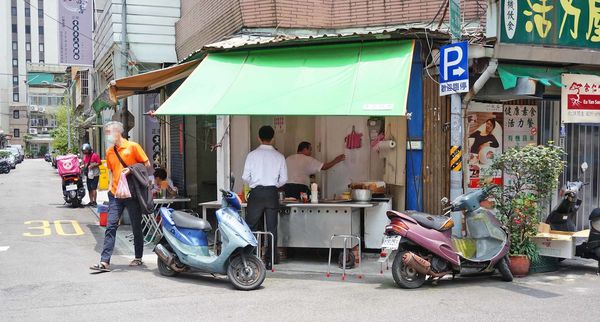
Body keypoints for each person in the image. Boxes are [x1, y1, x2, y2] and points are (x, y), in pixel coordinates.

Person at [90, 121, 151, 272]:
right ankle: (104, 262)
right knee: (110, 226)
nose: (107, 136)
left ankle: (138, 257)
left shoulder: (133, 147)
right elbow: (111, 172)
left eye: (108, 132)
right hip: (115, 195)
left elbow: (147, 164)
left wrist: (131, 170)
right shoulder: (110, 151)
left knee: (136, 225)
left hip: (132, 193)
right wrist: (110, 189)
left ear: (118, 132)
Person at [242, 125, 287, 270]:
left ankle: (251, 258)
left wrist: (255, 184)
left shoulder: (252, 155)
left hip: (256, 193)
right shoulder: (279, 156)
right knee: (272, 228)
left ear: (258, 137)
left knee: (251, 227)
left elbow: (245, 177)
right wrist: (273, 184)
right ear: (273, 138)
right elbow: (284, 179)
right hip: (271, 193)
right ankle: (270, 261)